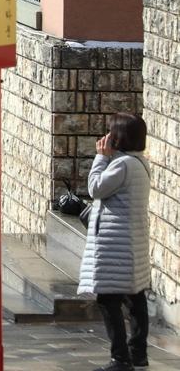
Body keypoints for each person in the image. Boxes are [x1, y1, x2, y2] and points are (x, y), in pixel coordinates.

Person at [79, 113, 151, 371]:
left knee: (108, 300)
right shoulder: (138, 163)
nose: (105, 137)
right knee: (135, 298)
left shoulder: (121, 166)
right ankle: (138, 354)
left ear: (119, 137)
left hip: (115, 245)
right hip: (130, 243)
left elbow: (95, 188)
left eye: (110, 131)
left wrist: (101, 157)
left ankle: (121, 359)